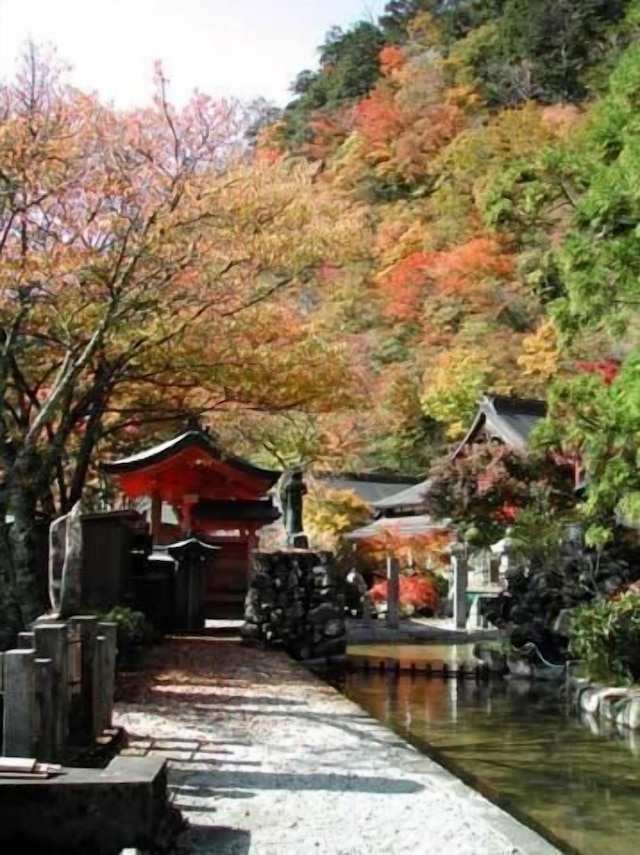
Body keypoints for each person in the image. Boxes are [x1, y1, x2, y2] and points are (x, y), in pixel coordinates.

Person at [281, 469, 307, 544]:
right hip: (297, 502)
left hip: (290, 503)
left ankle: (290, 530)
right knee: (297, 517)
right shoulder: (299, 483)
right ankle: (297, 530)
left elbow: (284, 495)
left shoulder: (288, 484)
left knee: (291, 516)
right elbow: (305, 492)